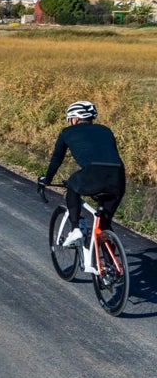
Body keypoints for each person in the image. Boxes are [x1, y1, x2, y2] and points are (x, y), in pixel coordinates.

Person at [38, 101, 126, 264]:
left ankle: (75, 229)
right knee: (104, 224)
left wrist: (47, 179)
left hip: (92, 173)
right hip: (118, 176)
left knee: (72, 184)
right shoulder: (106, 130)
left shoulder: (67, 132)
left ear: (76, 119)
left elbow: (57, 159)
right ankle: (110, 266)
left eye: (69, 118)